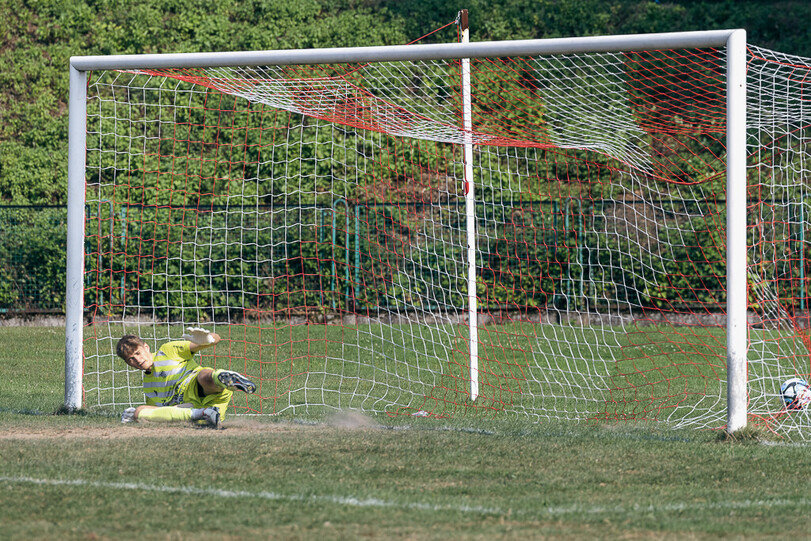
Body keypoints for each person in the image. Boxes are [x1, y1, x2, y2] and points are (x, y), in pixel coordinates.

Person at [116, 327, 256, 428]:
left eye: (138, 353)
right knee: (140, 411)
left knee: (204, 376)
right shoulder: (148, 386)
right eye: (131, 359)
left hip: (206, 389)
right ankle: (202, 414)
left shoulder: (167, 350)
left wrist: (209, 339)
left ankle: (225, 379)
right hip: (203, 411)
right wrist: (136, 414)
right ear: (128, 363)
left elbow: (215, 339)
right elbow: (161, 411)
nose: (138, 360)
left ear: (146, 347)